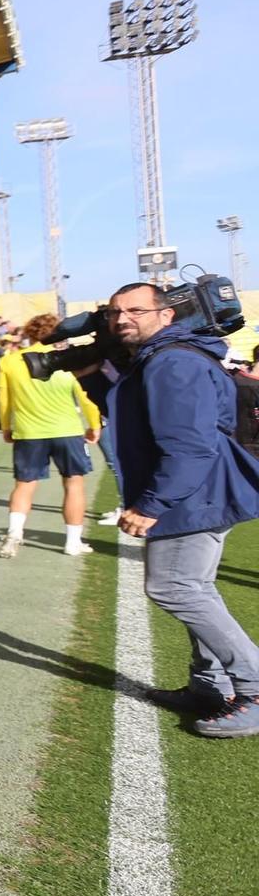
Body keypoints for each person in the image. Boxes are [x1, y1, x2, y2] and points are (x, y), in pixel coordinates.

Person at [109, 283, 259, 737]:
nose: (121, 320)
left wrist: (151, 505)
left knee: (174, 588)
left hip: (192, 494)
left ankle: (254, 687)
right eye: (115, 313)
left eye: (135, 310)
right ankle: (208, 685)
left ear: (167, 315)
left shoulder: (172, 361)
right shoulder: (167, 356)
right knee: (196, 587)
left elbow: (189, 447)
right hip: (199, 491)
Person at [0, 315, 100, 559]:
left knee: (24, 485)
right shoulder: (66, 361)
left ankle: (14, 533)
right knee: (74, 484)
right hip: (67, 430)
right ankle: (73, 542)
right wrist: (94, 423)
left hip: (29, 432)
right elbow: (86, 395)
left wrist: (5, 427)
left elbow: (4, 398)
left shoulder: (10, 361)